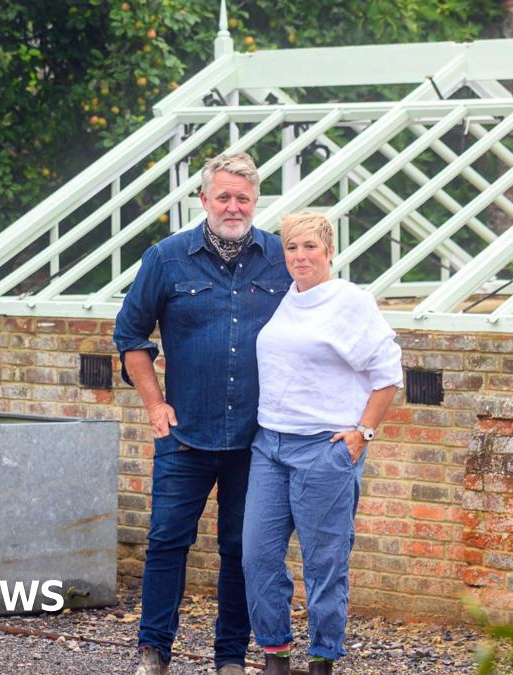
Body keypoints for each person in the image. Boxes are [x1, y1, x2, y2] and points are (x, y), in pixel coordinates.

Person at [113, 153, 291, 675]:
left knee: (241, 550)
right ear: (204, 200)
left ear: (255, 202)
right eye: (224, 197)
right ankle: (154, 652)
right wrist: (154, 403)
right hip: (184, 433)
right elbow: (129, 335)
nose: (233, 206)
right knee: (167, 542)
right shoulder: (166, 259)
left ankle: (230, 658)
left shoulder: (283, 260)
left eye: (243, 198)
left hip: (257, 439)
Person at [243, 211, 403, 675]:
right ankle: (275, 655)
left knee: (324, 564)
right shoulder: (285, 299)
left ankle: (322, 659)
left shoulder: (349, 302)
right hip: (269, 445)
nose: (299, 256)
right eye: (291, 247)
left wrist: (362, 433)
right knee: (257, 555)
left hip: (323, 450)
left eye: (309, 247)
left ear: (329, 251)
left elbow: (388, 374)